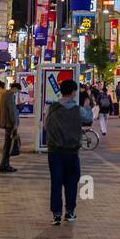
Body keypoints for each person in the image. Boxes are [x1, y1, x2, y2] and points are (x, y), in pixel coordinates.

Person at [44, 78, 83, 225]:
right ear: (73, 92)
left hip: (55, 152)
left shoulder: (52, 108)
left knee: (56, 182)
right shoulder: (78, 110)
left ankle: (56, 214)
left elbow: (46, 126)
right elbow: (89, 117)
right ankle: (70, 212)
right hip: (72, 152)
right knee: (72, 182)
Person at [0, 79, 19, 173]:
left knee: (7, 144)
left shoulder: (5, 94)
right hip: (9, 123)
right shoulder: (10, 96)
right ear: (14, 88)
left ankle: (5, 164)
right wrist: (15, 123)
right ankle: (4, 165)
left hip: (6, 122)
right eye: (17, 90)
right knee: (8, 145)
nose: (16, 92)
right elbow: (12, 111)